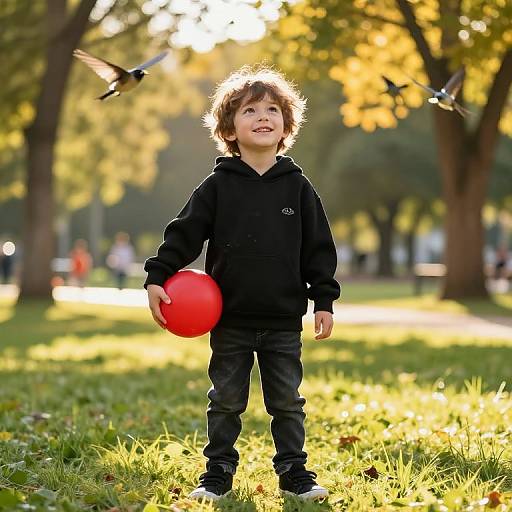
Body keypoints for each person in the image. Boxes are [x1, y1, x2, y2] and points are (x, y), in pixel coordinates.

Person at [144, 65, 340, 502]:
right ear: (230, 128)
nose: (262, 116)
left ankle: (294, 474)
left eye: (272, 109)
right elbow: (184, 234)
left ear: (286, 124)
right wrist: (157, 276)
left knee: (287, 401)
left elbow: (319, 250)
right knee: (226, 401)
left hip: (283, 319)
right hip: (230, 318)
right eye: (250, 110)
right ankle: (216, 475)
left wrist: (324, 299)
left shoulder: (299, 188)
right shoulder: (217, 186)